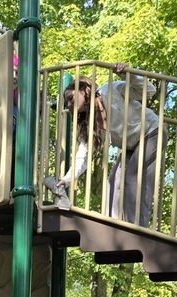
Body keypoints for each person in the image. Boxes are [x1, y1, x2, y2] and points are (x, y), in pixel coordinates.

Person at [46, 64, 167, 226]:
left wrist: (127, 75)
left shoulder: (109, 90)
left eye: (70, 98)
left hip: (152, 132)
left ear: (83, 90)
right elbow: (83, 156)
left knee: (133, 178)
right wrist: (66, 180)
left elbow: (148, 91)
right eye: (67, 103)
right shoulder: (90, 123)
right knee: (113, 183)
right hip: (131, 146)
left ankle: (137, 228)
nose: (69, 105)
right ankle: (114, 226)